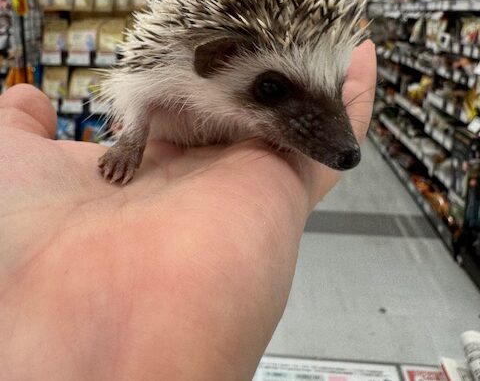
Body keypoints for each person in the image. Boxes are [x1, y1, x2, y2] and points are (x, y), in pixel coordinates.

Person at [0, 40, 376, 380]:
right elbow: (139, 96)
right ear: (215, 60)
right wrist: (131, 142)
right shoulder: (170, 67)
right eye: (272, 90)